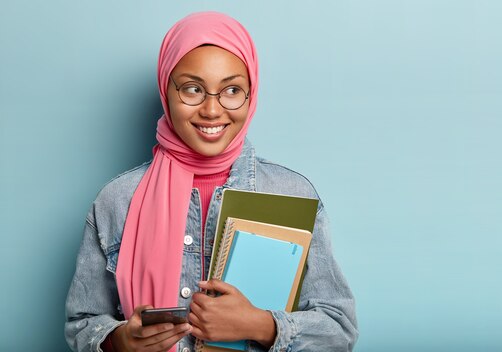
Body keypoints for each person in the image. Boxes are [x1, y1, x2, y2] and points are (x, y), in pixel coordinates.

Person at [64, 11, 358, 352]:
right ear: (166, 89)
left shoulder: (292, 194)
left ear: (252, 93)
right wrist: (120, 341)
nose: (212, 110)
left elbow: (339, 331)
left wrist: (260, 325)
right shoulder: (116, 201)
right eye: (192, 89)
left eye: (232, 90)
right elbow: (82, 324)